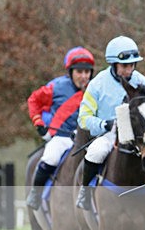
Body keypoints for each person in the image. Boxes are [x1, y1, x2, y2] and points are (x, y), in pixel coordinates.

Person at [76, 35, 145, 209]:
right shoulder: (97, 85)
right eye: (125, 66)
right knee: (95, 152)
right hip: (109, 135)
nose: (129, 70)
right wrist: (104, 124)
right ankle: (85, 193)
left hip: (139, 136)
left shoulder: (143, 83)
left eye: (132, 65)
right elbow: (83, 118)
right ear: (114, 64)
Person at [26, 47, 95, 209]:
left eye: (87, 72)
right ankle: (35, 194)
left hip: (89, 138)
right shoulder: (56, 87)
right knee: (50, 158)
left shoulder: (96, 88)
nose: (84, 76)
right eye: (79, 72)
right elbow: (33, 100)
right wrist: (38, 122)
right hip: (62, 138)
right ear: (70, 72)